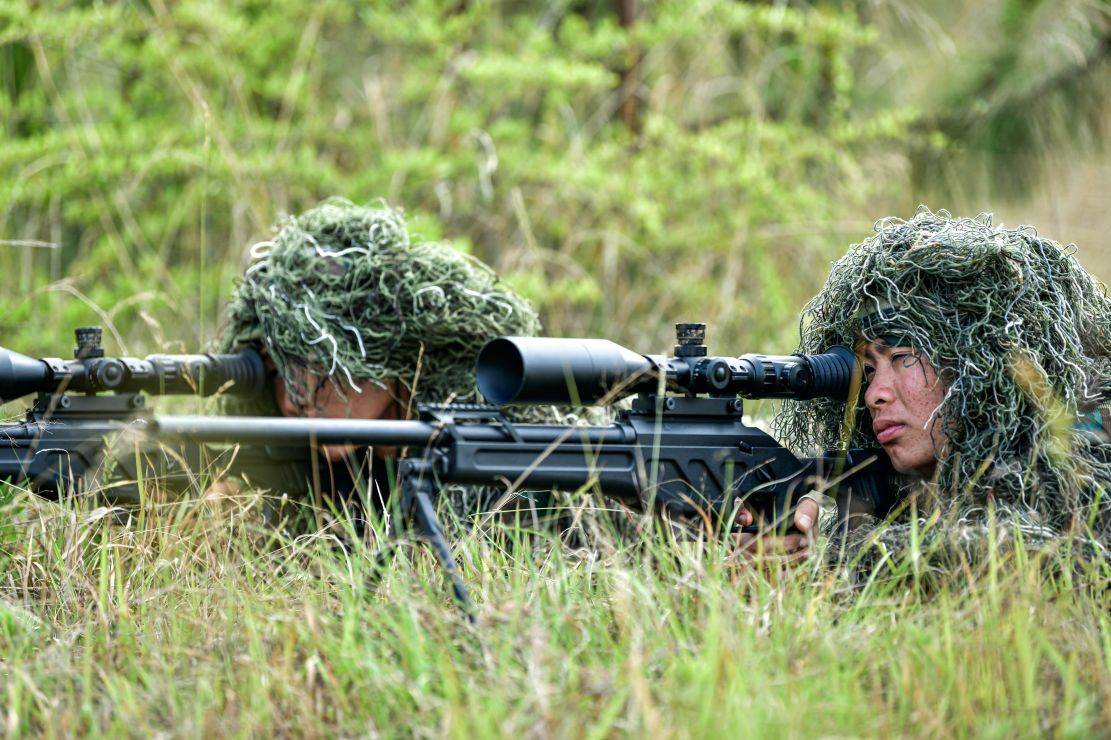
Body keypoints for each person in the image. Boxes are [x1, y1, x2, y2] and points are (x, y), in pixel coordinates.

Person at [754, 207, 1111, 565]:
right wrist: (777, 560)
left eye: (902, 357)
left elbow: (1031, 555)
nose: (874, 395)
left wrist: (841, 564)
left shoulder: (1089, 453)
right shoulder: (902, 498)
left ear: (978, 361)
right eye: (869, 370)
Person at [214, 198, 544, 518]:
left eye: (317, 364)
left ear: (383, 350)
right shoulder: (317, 479)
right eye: (276, 373)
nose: (291, 402)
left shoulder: (497, 457)